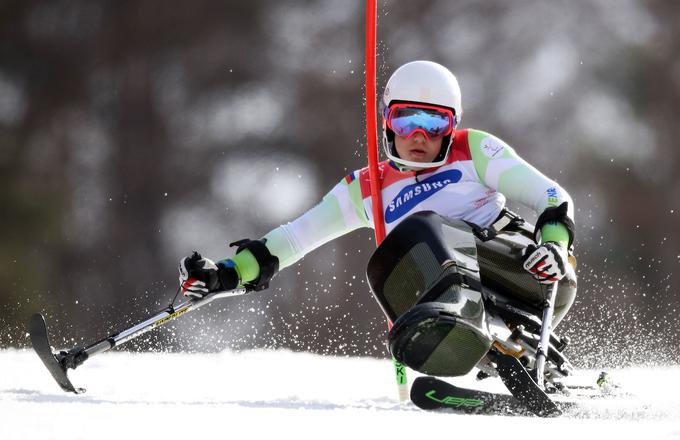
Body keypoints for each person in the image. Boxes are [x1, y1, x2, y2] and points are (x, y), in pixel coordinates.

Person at [178, 60, 575, 330]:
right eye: (406, 120)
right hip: (447, 301)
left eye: (434, 123)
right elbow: (295, 238)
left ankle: (472, 332)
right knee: (387, 262)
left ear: (452, 127)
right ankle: (456, 345)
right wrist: (228, 273)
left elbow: (552, 196)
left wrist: (554, 246)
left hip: (530, 277)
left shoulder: (473, 151)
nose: (418, 136)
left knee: (424, 229)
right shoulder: (366, 188)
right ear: (387, 123)